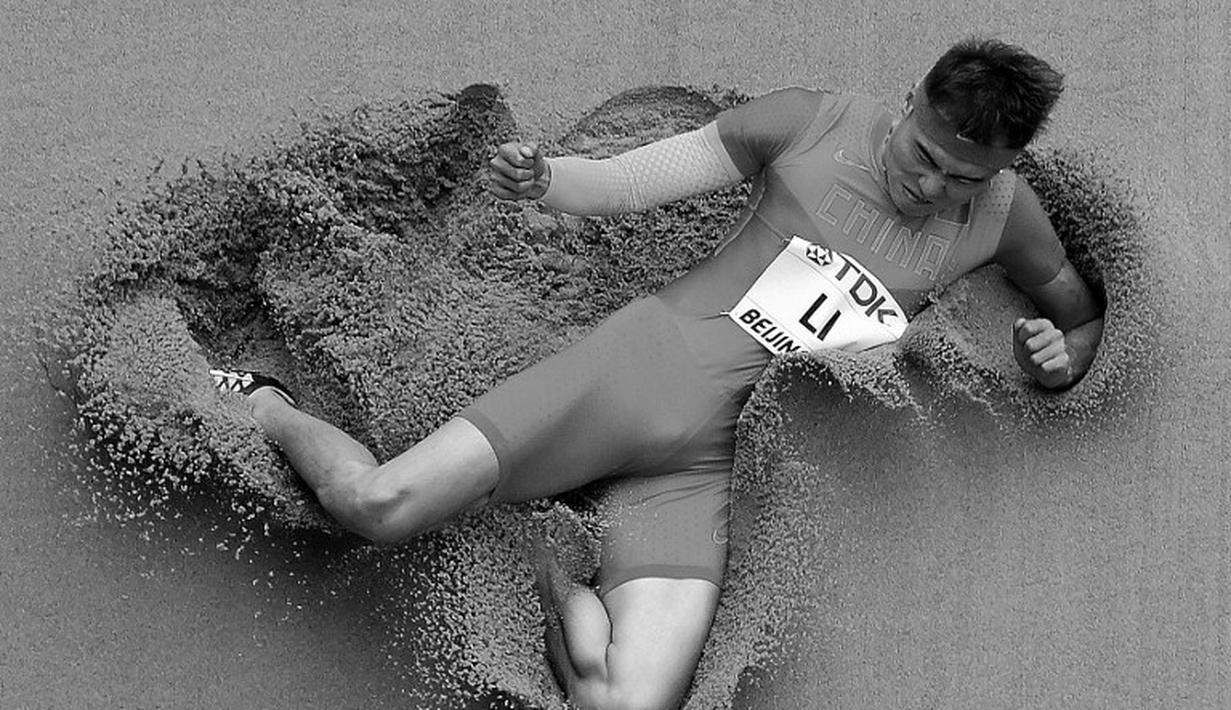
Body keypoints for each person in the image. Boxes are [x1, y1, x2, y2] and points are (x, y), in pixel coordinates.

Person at [211, 37, 1103, 710]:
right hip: (635, 374)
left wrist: (1064, 362)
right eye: (922, 155)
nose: (930, 188)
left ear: (1004, 168)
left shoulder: (1002, 215)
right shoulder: (811, 121)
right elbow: (634, 181)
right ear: (908, 103)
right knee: (375, 507)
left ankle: (547, 549)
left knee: (624, 702)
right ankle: (269, 407)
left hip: (707, 468)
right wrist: (546, 179)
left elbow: (1077, 309)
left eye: (961, 178)